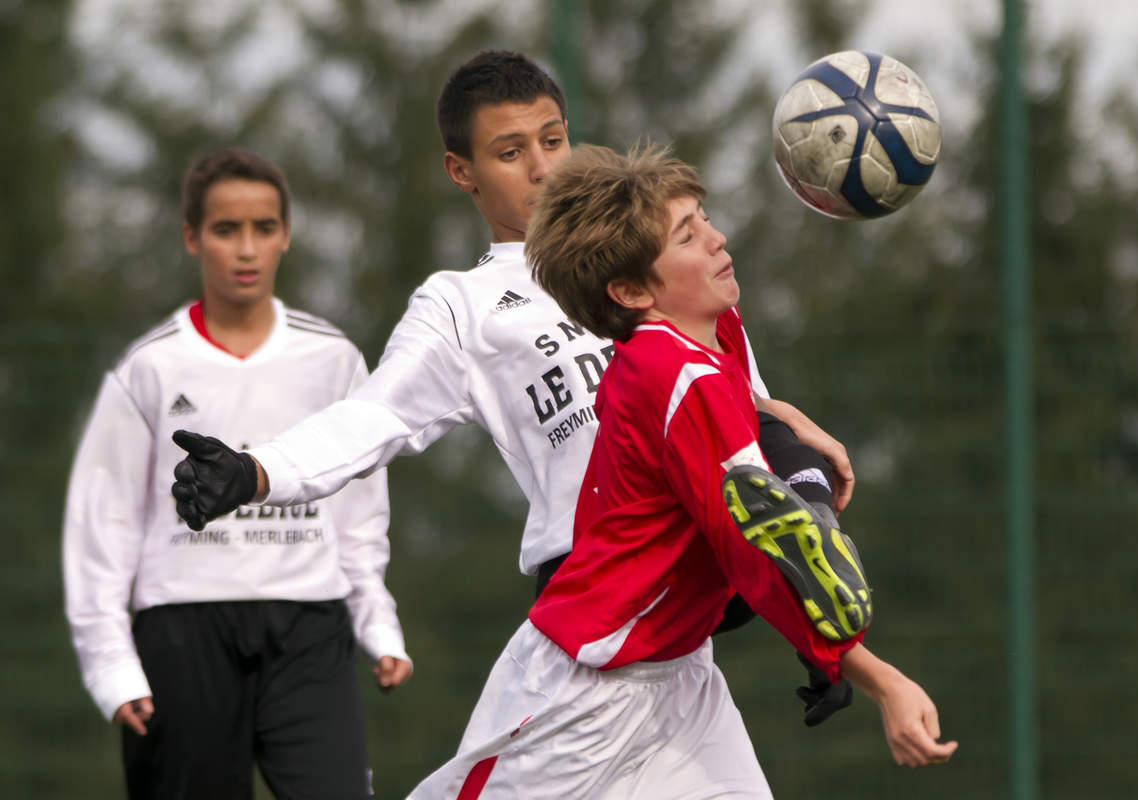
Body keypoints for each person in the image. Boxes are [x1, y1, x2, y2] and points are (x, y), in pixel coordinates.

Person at [168, 49, 853, 732]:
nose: (542, 167)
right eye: (509, 151)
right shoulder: (463, 305)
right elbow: (373, 417)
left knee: (784, 438)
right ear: (460, 171)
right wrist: (260, 471)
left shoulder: (661, 264)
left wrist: (815, 629)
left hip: (689, 609)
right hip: (593, 611)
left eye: (553, 140)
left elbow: (740, 440)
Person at [403, 143, 957, 798]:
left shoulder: (705, 333)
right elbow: (756, 541)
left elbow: (732, 428)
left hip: (680, 677)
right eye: (688, 235)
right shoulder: (674, 376)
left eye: (704, 218)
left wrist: (778, 415)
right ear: (632, 290)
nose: (719, 239)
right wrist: (875, 675)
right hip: (583, 692)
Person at [62, 147, 412, 800]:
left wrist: (377, 623)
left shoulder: (333, 359)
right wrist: (110, 665)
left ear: (285, 235)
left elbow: (361, 513)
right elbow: (100, 527)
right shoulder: (150, 369)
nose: (246, 249)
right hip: (182, 635)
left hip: (310, 629)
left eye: (263, 228)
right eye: (226, 230)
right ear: (193, 238)